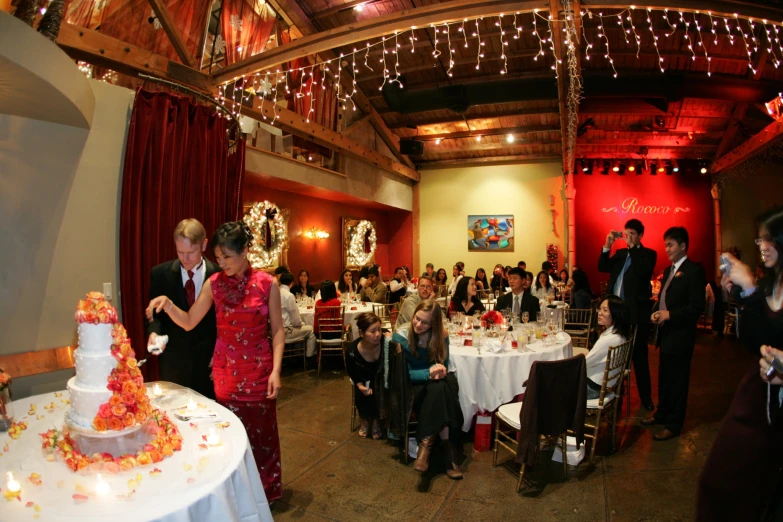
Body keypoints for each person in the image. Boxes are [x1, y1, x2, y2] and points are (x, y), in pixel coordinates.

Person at [146, 221, 284, 501]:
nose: (222, 264)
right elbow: (188, 322)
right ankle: (237, 493)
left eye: (227, 258)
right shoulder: (214, 283)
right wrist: (168, 303)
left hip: (259, 373)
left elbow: (279, 330)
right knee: (228, 437)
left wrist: (277, 371)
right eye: (218, 258)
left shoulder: (267, 284)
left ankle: (266, 493)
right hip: (226, 375)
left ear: (245, 251)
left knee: (263, 437)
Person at [697, 207, 783, 521]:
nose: (761, 246)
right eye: (759, 239)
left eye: (768, 240)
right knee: (720, 479)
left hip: (774, 402)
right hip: (757, 394)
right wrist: (745, 293)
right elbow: (753, 343)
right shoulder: (770, 284)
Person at [642, 226, 705, 441]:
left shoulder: (693, 271)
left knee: (678, 381)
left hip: (681, 335)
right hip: (666, 335)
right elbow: (663, 300)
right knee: (665, 379)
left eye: (670, 244)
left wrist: (670, 315)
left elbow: (697, 307)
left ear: (683, 245)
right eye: (665, 244)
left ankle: (674, 424)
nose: (666, 249)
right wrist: (655, 314)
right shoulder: (669, 270)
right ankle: (661, 414)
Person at [146, 219, 220, 399]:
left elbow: (222, 322)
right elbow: (155, 314)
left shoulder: (218, 275)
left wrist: (219, 354)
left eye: (191, 252)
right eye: (180, 252)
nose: (185, 258)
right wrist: (153, 334)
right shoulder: (160, 273)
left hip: (207, 361)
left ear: (203, 245)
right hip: (173, 362)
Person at [393, 302, 464, 479]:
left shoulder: (441, 336)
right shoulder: (401, 337)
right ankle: (450, 454)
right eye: (417, 319)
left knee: (443, 385)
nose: (418, 325)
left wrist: (438, 371)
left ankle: (425, 446)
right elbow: (404, 375)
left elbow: (444, 365)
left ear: (434, 324)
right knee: (441, 388)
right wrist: (428, 373)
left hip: (436, 384)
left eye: (425, 323)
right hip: (414, 387)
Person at [598, 218, 657, 411]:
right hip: (615, 315)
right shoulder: (621, 254)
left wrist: (633, 248)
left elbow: (643, 272)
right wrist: (608, 245)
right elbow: (602, 267)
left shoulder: (648, 254)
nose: (628, 237)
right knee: (614, 357)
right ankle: (615, 398)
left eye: (632, 233)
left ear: (640, 236)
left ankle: (646, 398)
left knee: (639, 358)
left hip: (634, 315)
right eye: (627, 233)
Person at [346, 312, 387, 439]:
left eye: (379, 330)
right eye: (372, 331)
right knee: (364, 389)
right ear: (362, 333)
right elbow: (352, 372)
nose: (377, 334)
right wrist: (359, 385)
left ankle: (375, 420)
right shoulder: (352, 351)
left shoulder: (385, 342)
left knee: (378, 387)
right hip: (363, 378)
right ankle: (364, 419)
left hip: (381, 379)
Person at [585, 296, 630, 399]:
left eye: (605, 310)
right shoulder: (620, 334)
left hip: (592, 388)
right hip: (604, 385)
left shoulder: (609, 339)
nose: (599, 313)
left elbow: (586, 363)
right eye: (599, 308)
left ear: (615, 314)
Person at [279, 272, 316, 357]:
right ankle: (309, 358)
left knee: (301, 328)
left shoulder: (275, 292)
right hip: (286, 332)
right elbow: (295, 319)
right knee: (310, 330)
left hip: (275, 331)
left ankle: (297, 354)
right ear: (292, 283)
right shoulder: (289, 295)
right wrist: (302, 323)